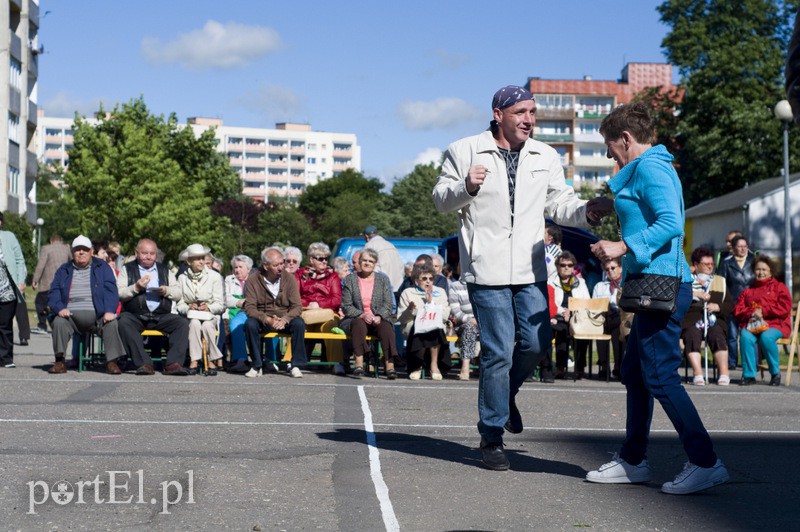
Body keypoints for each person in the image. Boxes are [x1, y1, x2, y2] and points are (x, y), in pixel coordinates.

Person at [433, 85, 612, 470]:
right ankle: (491, 436)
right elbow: (440, 199)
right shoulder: (464, 150)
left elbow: (559, 204)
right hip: (486, 268)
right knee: (498, 351)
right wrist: (466, 186)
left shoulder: (545, 155)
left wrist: (587, 212)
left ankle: (506, 393)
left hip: (531, 270)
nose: (529, 119)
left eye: (532, 112)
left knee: (534, 343)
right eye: (520, 112)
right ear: (498, 114)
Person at [587, 102, 728, 495]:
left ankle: (705, 461)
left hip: (663, 284)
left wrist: (621, 245)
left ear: (627, 139)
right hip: (653, 282)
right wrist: (610, 206)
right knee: (636, 374)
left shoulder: (651, 167)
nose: (609, 153)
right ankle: (633, 461)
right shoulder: (647, 168)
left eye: (609, 145)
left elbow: (669, 222)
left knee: (660, 375)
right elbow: (648, 211)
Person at [46, 236, 125, 375]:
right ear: (73, 252)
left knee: (111, 323)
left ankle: (112, 362)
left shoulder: (102, 267)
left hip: (98, 317)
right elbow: (53, 293)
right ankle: (60, 362)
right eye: (77, 250)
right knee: (58, 322)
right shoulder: (63, 270)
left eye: (85, 250)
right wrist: (60, 308)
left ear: (91, 251)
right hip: (70, 317)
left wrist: (109, 310)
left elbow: (111, 291)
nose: (81, 252)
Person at [117, 239, 190, 376]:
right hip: (136, 315)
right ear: (137, 253)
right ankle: (144, 363)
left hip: (160, 315)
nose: (148, 256)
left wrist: (166, 290)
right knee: (123, 321)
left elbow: (178, 292)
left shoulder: (165, 270)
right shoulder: (127, 269)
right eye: (145, 253)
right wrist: (136, 287)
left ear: (156, 255)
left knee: (182, 323)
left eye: (152, 253)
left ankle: (173, 364)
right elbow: (119, 293)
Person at [243, 246, 306, 378]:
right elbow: (250, 308)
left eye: (282, 263)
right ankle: (256, 365)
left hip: (284, 318)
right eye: (276, 265)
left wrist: (285, 319)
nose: (281, 267)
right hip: (264, 318)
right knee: (250, 324)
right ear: (265, 266)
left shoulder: (289, 279)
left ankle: (296, 365)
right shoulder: (253, 280)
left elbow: (297, 307)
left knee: (299, 323)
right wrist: (266, 319)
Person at [733, 255, 792, 386]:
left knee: (766, 337)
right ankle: (749, 375)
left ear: (771, 271)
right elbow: (738, 310)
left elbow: (784, 308)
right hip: (754, 325)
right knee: (745, 335)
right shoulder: (748, 290)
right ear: (754, 271)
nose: (761, 272)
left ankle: (775, 373)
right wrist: (752, 312)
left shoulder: (779, 287)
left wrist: (763, 311)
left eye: (764, 269)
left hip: (776, 324)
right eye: (758, 269)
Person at [340, 248, 398, 378]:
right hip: (356, 318)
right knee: (358, 324)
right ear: (359, 262)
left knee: (387, 327)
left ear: (375, 264)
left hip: (378, 318)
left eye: (370, 261)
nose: (367, 263)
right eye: (364, 260)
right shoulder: (350, 279)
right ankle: (359, 363)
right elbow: (346, 305)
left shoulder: (383, 280)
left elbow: (388, 303)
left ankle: (390, 366)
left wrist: (379, 316)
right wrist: (362, 314)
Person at [681, 247, 731, 386]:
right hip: (692, 320)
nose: (710, 267)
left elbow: (730, 305)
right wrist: (695, 295)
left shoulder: (720, 281)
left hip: (714, 320)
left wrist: (718, 307)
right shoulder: (686, 280)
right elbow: (678, 299)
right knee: (691, 335)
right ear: (696, 265)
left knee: (717, 335)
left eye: (712, 264)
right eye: (706, 264)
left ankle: (724, 372)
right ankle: (698, 373)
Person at [176, 244, 225, 376]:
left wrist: (208, 307)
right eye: (198, 259)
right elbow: (179, 303)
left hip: (210, 315)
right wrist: (188, 307)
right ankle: (194, 360)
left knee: (208, 326)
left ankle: (210, 359)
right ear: (189, 261)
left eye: (203, 258)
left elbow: (220, 304)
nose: (202, 261)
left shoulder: (215, 277)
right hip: (191, 316)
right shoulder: (182, 278)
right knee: (195, 324)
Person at [398, 263, 451, 380]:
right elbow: (401, 319)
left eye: (431, 279)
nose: (428, 281)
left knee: (432, 327)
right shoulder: (408, 293)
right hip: (413, 328)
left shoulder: (440, 292)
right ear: (417, 280)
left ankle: (434, 365)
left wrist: (431, 303)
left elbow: (445, 315)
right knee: (421, 327)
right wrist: (410, 310)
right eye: (424, 278)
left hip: (436, 327)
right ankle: (417, 365)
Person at [295, 242, 343, 371]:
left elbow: (337, 299)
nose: (324, 262)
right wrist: (308, 305)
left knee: (330, 328)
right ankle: (293, 361)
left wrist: (319, 304)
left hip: (328, 313)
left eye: (326, 258)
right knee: (297, 325)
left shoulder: (333, 276)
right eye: (320, 259)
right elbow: (294, 297)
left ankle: (335, 363)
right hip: (306, 312)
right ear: (311, 259)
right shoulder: (299, 275)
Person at [549, 250, 591, 379]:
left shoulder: (580, 282)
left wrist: (572, 311)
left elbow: (586, 301)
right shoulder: (551, 281)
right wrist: (563, 311)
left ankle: (579, 368)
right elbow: (551, 303)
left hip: (577, 315)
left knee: (583, 334)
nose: (566, 268)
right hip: (558, 316)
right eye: (563, 265)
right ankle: (561, 368)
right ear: (557, 267)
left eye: (570, 265)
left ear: (574, 267)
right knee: (561, 331)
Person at [717, 235, 755, 369]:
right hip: (732, 304)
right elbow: (721, 284)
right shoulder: (726, 263)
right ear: (733, 248)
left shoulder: (754, 261)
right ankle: (732, 362)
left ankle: (752, 362)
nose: (743, 249)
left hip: (751, 305)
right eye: (740, 246)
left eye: (745, 246)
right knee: (732, 335)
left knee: (751, 334)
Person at [591, 257, 625, 380]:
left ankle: (619, 366)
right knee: (601, 328)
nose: (610, 271)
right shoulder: (599, 286)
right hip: (603, 317)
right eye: (607, 269)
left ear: (620, 268)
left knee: (618, 330)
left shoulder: (625, 284)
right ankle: (604, 366)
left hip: (619, 316)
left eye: (613, 268)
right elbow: (594, 306)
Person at [0, 213, 26, 368]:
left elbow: (19, 259)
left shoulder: (9, 237)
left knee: (4, 324)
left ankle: (6, 357)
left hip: (7, 289)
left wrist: (21, 280)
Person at [31, 234, 71, 335]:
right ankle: (58, 327)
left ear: (51, 241)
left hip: (48, 283)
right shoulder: (66, 249)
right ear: (60, 241)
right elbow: (72, 261)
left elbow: (41, 265)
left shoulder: (46, 248)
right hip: (63, 283)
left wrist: (35, 279)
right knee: (56, 305)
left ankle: (42, 325)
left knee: (40, 303)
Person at [225, 255, 254, 374]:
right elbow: (224, 298)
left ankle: (270, 360)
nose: (237, 270)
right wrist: (237, 302)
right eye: (235, 267)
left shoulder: (255, 279)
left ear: (249, 268)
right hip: (232, 311)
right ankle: (240, 360)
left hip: (251, 311)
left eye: (241, 267)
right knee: (233, 323)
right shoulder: (228, 280)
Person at [448, 274, 478, 381]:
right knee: (470, 328)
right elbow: (455, 311)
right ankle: (465, 367)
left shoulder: (484, 283)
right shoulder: (455, 286)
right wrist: (470, 320)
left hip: (483, 321)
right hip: (462, 323)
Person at [363, 225, 404, 290]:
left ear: (366, 236)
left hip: (383, 287)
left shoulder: (370, 245)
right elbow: (401, 266)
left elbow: (368, 267)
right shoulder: (390, 245)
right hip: (397, 286)